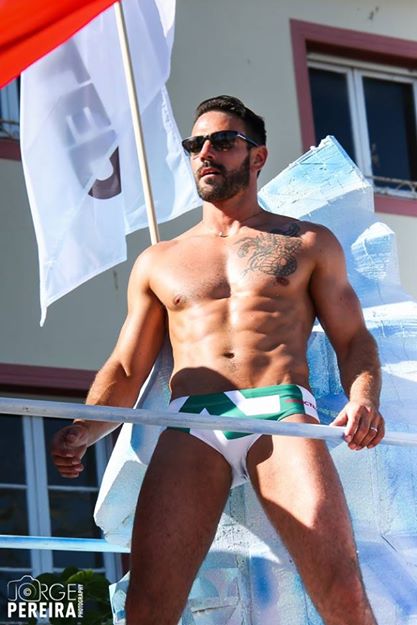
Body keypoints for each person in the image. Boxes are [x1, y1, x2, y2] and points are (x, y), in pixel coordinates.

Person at [51, 95, 384, 625]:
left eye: (223, 141)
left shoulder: (307, 241)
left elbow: (353, 339)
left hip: (280, 412)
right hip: (193, 420)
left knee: (341, 589)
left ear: (257, 156)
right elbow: (127, 366)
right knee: (147, 608)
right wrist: (85, 426)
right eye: (196, 144)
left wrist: (363, 397)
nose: (205, 152)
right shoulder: (159, 260)